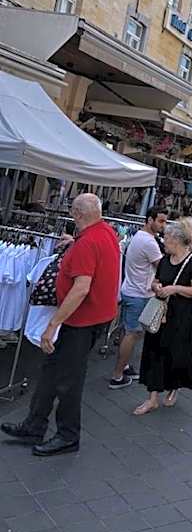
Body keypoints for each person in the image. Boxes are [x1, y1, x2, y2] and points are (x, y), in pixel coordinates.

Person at [2, 194, 120, 456]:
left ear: (77, 214)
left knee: (68, 379)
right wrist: (73, 243)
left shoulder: (88, 242)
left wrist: (53, 324)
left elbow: (81, 288)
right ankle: (35, 423)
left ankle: (68, 435)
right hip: (93, 317)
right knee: (52, 371)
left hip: (81, 321)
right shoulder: (105, 232)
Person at [133, 222, 192, 415]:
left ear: (178, 241)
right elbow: (156, 280)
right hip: (160, 314)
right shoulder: (165, 259)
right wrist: (156, 286)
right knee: (154, 351)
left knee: (176, 352)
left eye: (168, 240)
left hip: (179, 315)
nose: (164, 242)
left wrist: (175, 289)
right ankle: (152, 398)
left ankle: (174, 385)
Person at [109, 208, 167, 389]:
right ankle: (117, 375)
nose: (163, 225)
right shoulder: (148, 242)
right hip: (138, 294)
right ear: (150, 220)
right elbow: (163, 266)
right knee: (132, 333)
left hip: (133, 291)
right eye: (161, 221)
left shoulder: (140, 237)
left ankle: (124, 366)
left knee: (134, 332)